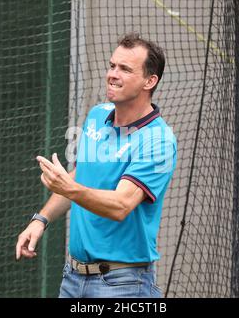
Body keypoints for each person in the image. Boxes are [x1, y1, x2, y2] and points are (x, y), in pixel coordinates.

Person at [15, 32, 177, 298]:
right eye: (112, 65)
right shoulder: (97, 115)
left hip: (123, 284)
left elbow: (121, 205)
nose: (113, 74)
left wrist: (69, 188)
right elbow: (81, 177)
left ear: (150, 81)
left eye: (125, 69)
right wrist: (40, 220)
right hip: (72, 278)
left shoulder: (158, 141)